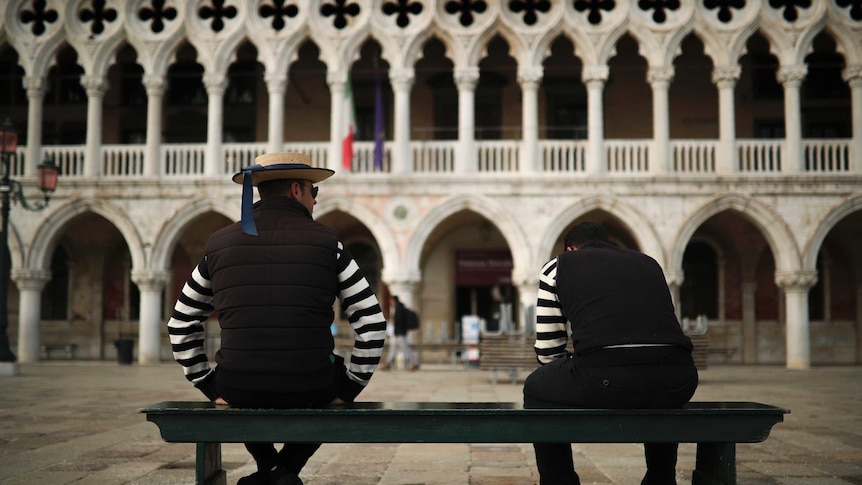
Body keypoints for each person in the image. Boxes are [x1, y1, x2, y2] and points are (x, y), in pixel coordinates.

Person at [167, 152, 387, 485]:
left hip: (237, 386)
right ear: (296, 190)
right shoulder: (329, 242)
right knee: (330, 377)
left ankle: (271, 470)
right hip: (311, 386)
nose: (316, 200)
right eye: (315, 192)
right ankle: (284, 471)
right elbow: (371, 321)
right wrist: (350, 388)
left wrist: (210, 386)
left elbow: (181, 322)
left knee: (245, 378)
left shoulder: (219, 242)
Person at [523, 221, 698, 485]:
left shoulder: (558, 266)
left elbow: (548, 351)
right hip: (680, 378)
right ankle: (661, 477)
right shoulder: (649, 264)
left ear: (571, 248)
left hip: (605, 378)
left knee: (536, 386)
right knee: (657, 377)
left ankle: (559, 479)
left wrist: (572, 368)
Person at [379, 295, 419, 371]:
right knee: (393, 348)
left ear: (394, 300)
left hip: (399, 333)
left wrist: (400, 330)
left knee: (405, 349)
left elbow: (399, 322)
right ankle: (387, 364)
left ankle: (414, 363)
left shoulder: (399, 308)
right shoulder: (398, 308)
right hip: (397, 333)